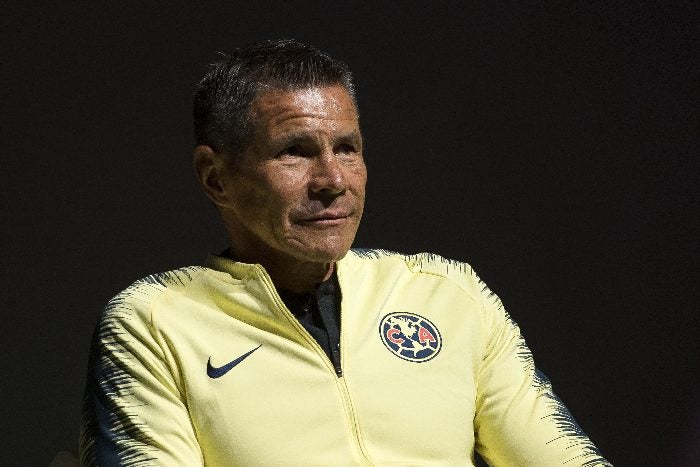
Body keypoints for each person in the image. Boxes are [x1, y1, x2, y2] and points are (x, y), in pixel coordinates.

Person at [80, 39, 611, 466]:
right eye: (295, 152)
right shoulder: (153, 323)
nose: (333, 180)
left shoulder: (448, 293)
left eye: (347, 148)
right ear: (215, 177)